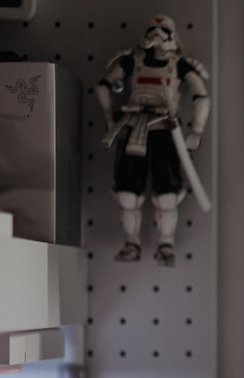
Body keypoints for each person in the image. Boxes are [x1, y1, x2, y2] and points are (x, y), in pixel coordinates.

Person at [97, 14, 210, 267]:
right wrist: (109, 118)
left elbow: (201, 96)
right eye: (153, 30)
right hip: (134, 126)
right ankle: (131, 243)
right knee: (127, 193)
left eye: (163, 31)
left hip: (165, 130)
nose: (157, 36)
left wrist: (196, 131)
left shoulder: (179, 65)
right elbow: (104, 85)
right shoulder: (131, 61)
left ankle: (166, 245)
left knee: (167, 193)